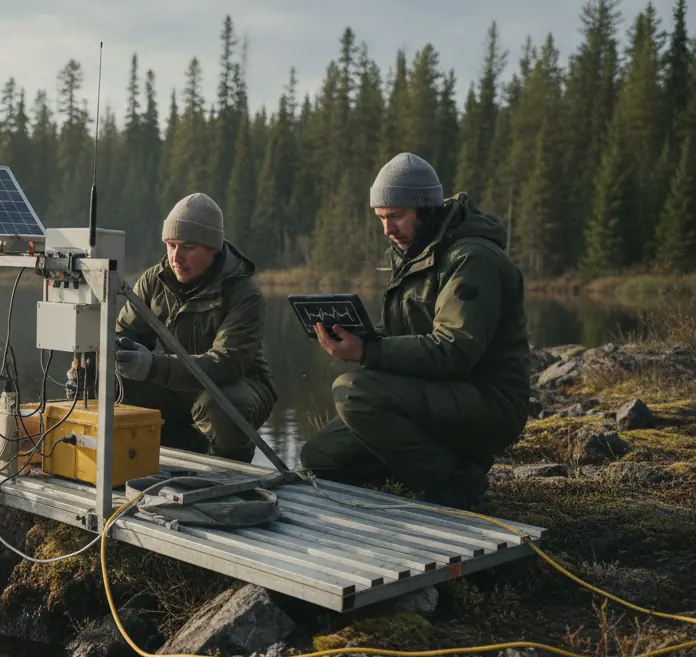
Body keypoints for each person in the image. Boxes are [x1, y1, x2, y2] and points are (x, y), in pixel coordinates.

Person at [298, 152, 532, 509]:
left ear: (427, 208)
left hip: (487, 403)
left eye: (396, 217)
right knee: (321, 457)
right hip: (439, 394)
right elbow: (405, 333)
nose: (388, 230)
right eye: (381, 218)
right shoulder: (416, 250)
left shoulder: (473, 259)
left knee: (353, 392)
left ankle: (456, 482)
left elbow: (453, 350)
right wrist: (358, 335)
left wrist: (367, 351)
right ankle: (437, 464)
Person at [113, 192, 277, 463]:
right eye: (171, 245)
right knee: (111, 383)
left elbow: (226, 364)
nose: (176, 257)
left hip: (241, 386)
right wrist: (99, 358)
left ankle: (231, 470)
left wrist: (153, 366)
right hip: (177, 384)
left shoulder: (244, 292)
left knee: (219, 407)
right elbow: (123, 335)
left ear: (213, 248)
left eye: (188, 247)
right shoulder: (154, 280)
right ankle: (183, 452)